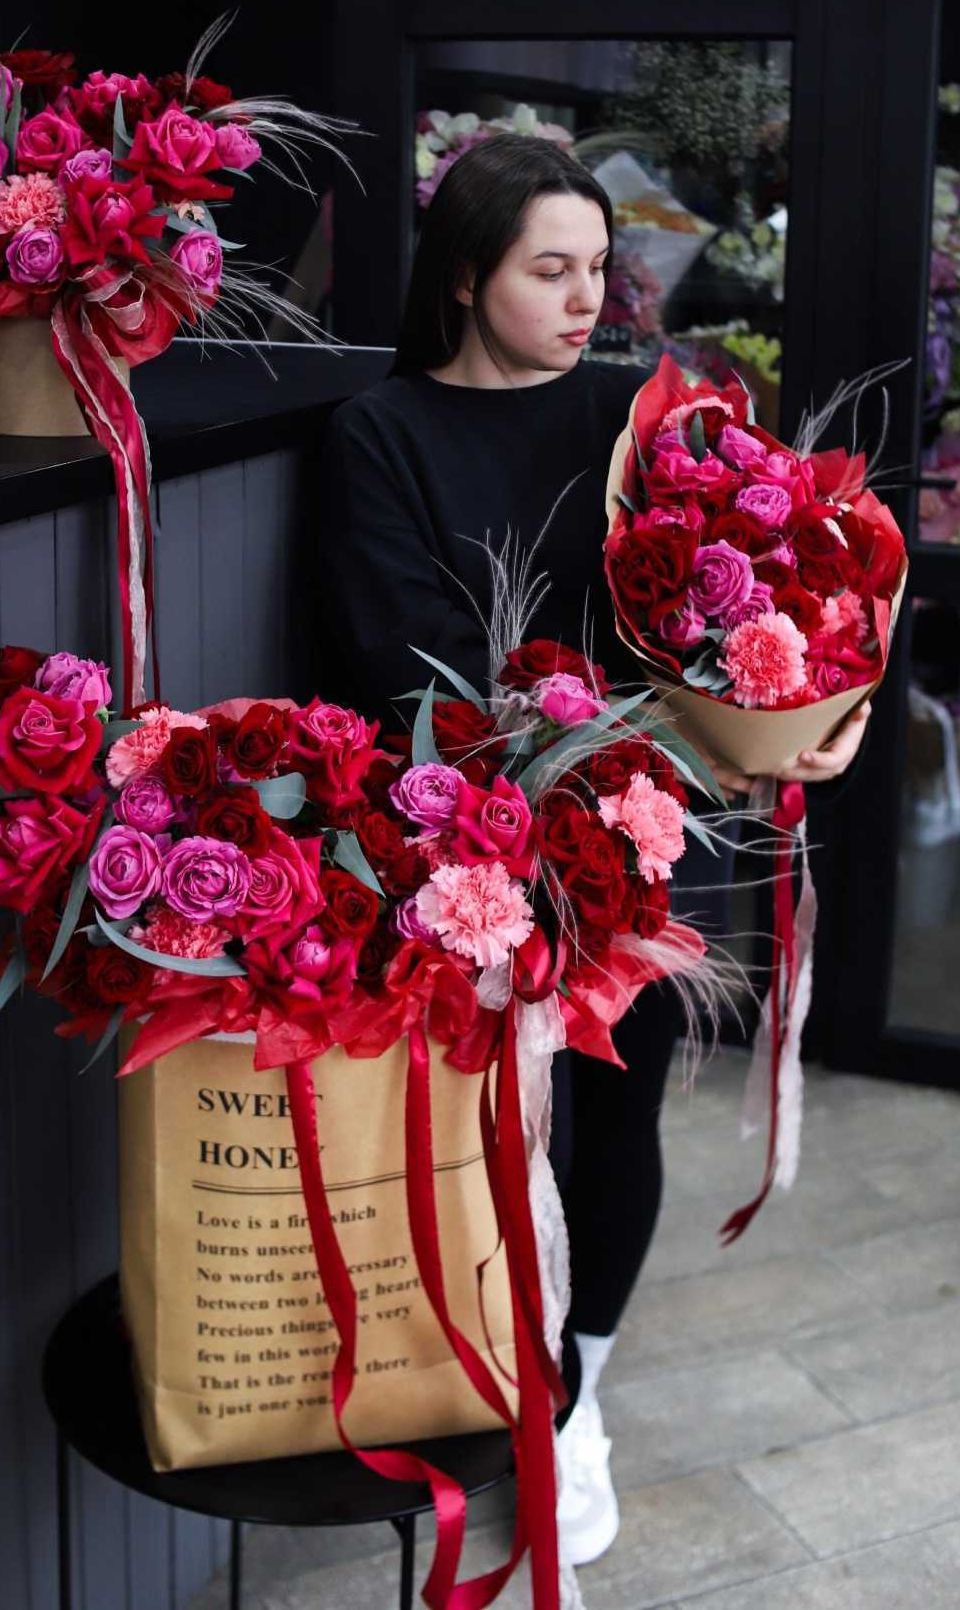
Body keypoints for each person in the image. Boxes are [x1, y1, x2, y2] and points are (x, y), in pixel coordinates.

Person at [317, 135, 868, 1565]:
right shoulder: (380, 432)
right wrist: (540, 762)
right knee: (496, 1136)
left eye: (598, 272)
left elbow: (789, 596)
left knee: (621, 1122)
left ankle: (576, 1405)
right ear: (461, 277)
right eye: (547, 271)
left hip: (660, 829)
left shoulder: (644, 416)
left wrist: (818, 719)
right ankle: (502, 1378)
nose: (586, 300)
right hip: (482, 843)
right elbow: (399, 656)